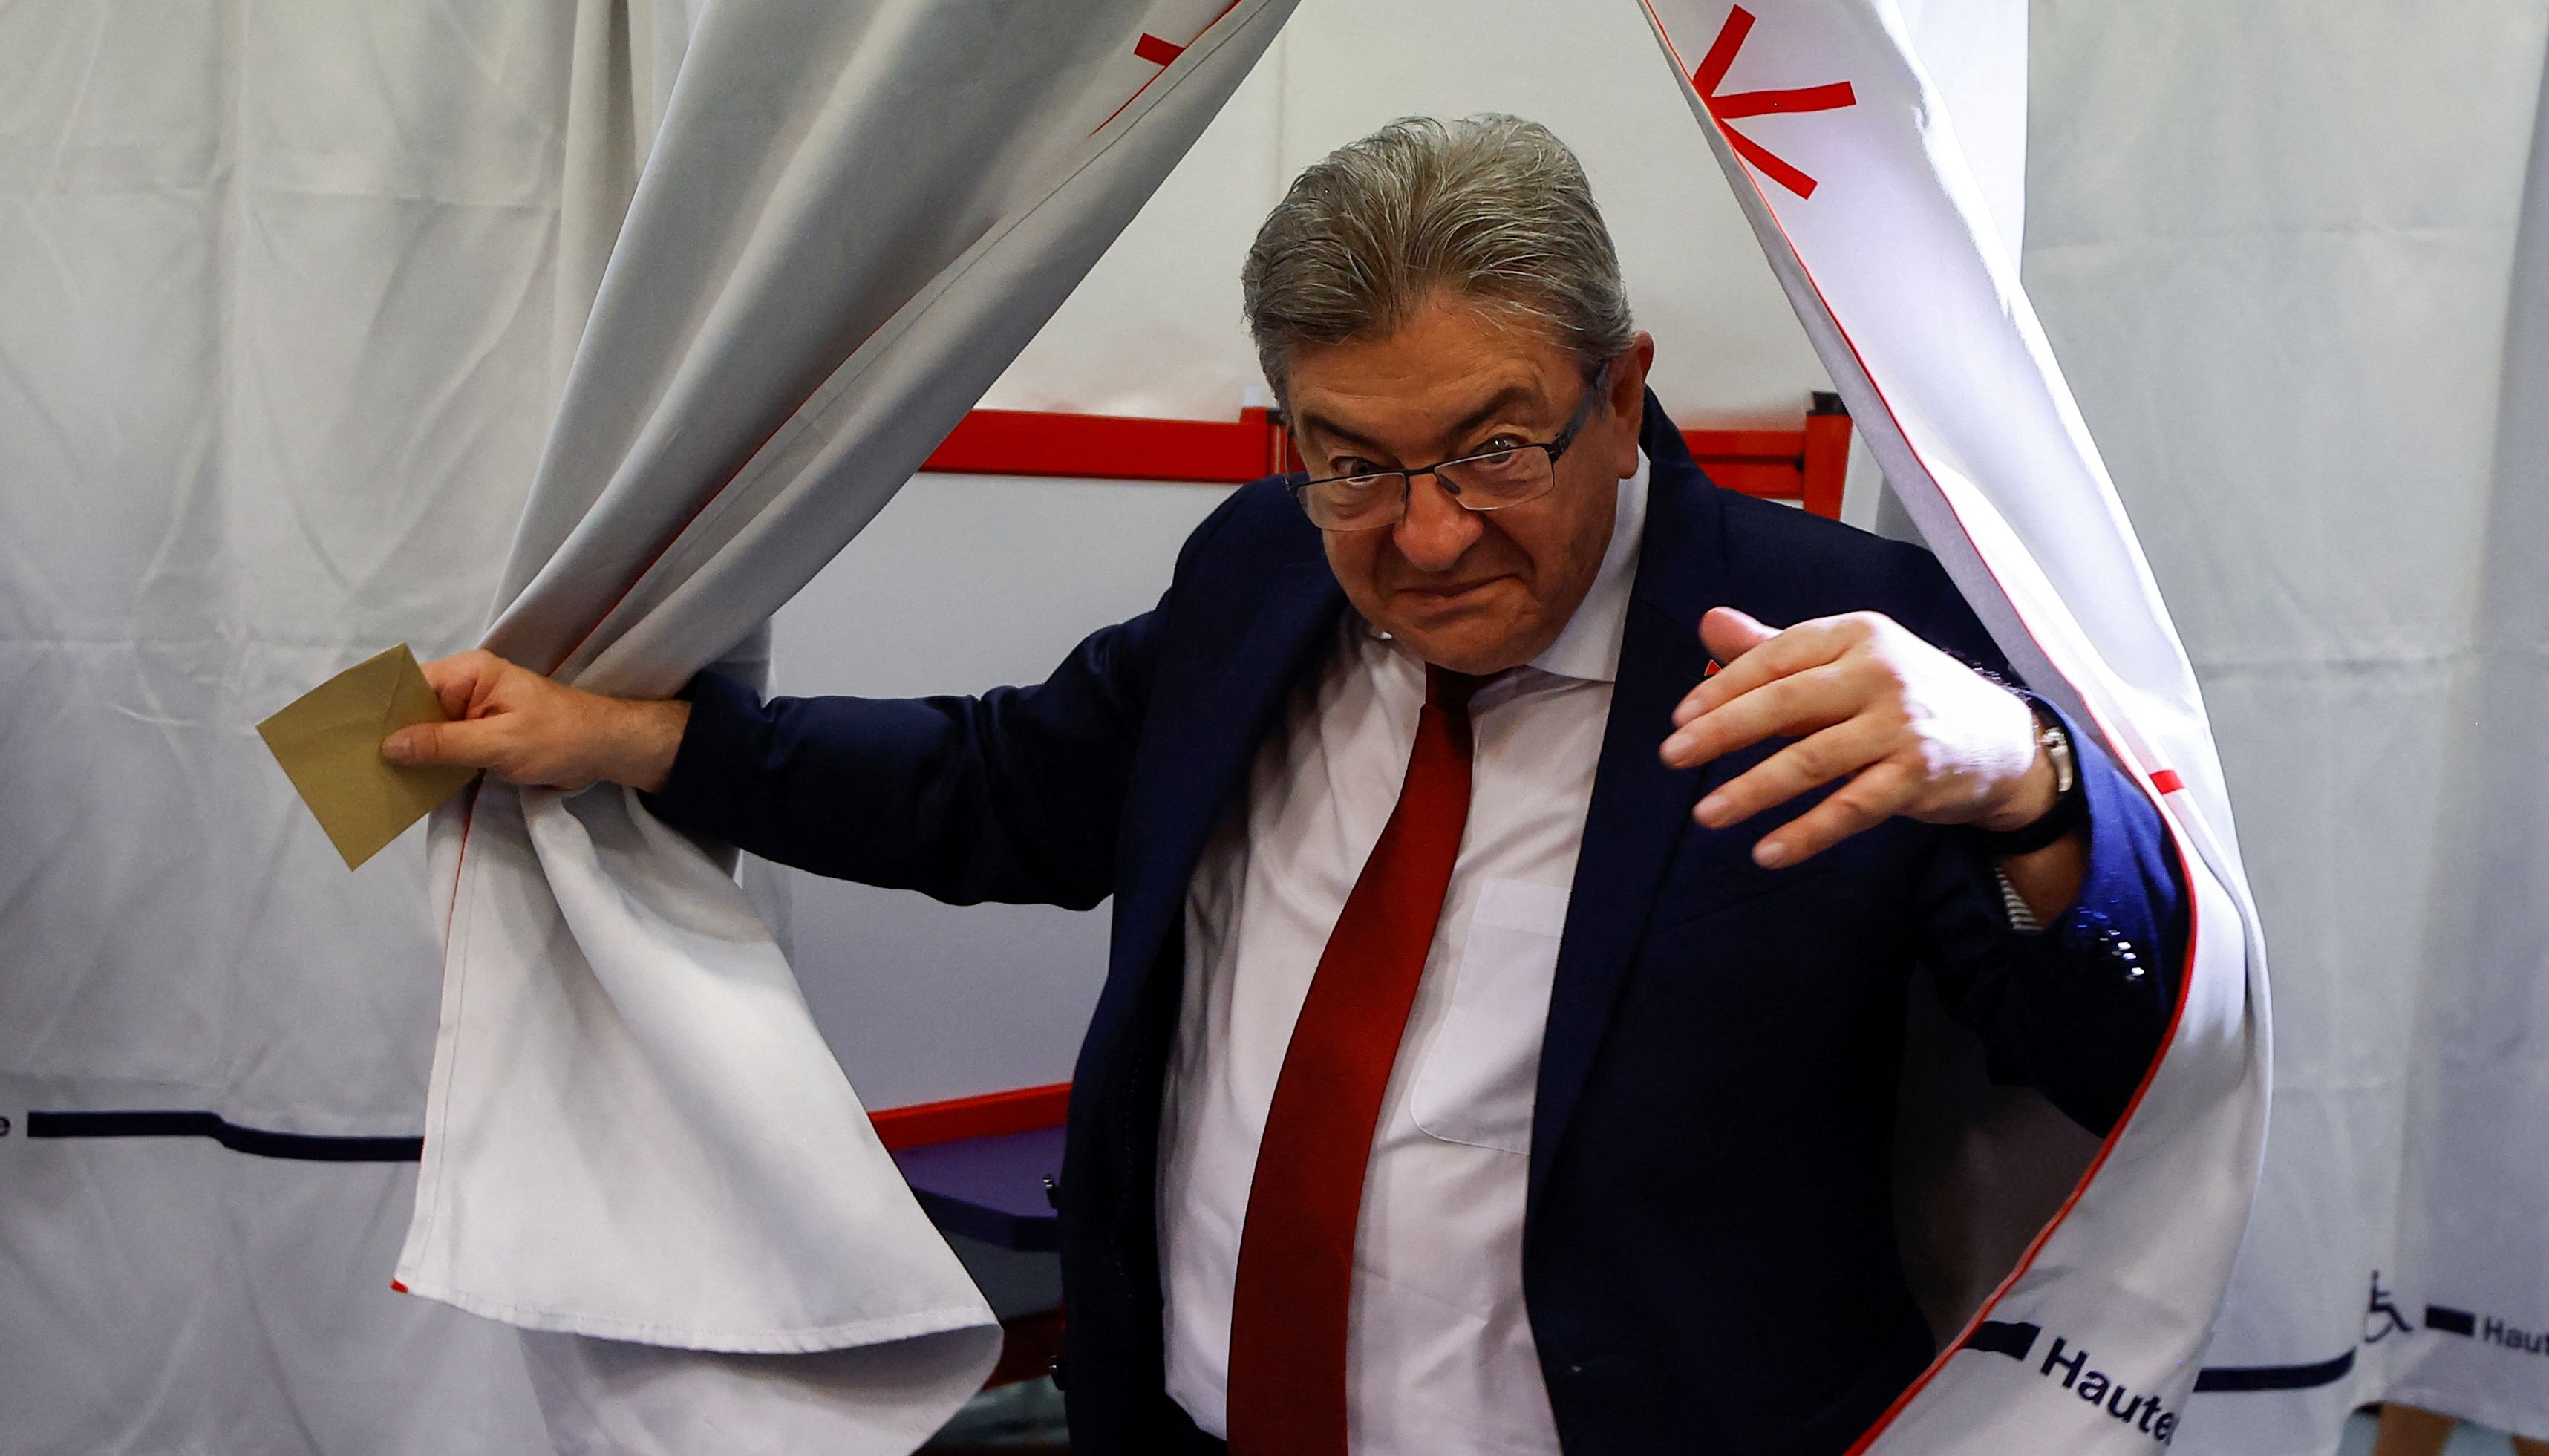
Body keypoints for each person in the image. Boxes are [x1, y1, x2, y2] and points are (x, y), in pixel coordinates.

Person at [384, 116, 2184, 1456]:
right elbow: (1008, 787)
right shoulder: (1262, 565)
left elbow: (2105, 1061)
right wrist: (641, 741)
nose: (1421, 535)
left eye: (1493, 449)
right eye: (1351, 460)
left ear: (1620, 396)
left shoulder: (1846, 636)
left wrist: (2031, 792)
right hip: (1184, 1422)